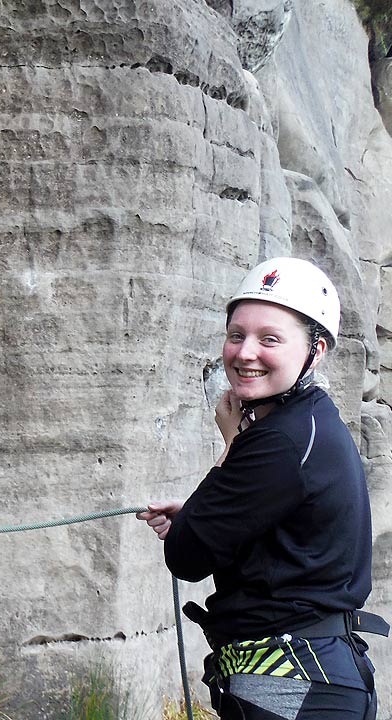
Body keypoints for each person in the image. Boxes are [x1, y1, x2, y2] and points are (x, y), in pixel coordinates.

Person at [138, 258, 387, 719]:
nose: (244, 352)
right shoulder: (311, 421)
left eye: (269, 339)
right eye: (237, 335)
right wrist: (199, 511)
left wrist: (231, 445)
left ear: (316, 349)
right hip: (309, 677)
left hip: (295, 686)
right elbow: (270, 525)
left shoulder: (280, 441)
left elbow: (188, 556)